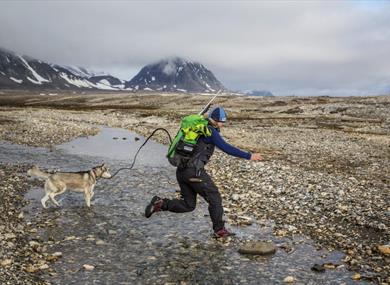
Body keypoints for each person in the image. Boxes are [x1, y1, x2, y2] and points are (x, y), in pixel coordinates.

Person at [145, 106, 263, 238]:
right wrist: (249, 156)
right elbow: (226, 148)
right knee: (215, 198)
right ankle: (220, 230)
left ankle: (160, 203)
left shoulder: (196, 128)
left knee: (189, 205)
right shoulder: (210, 132)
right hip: (194, 173)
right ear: (216, 120)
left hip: (182, 171)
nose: (222, 124)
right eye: (221, 121)